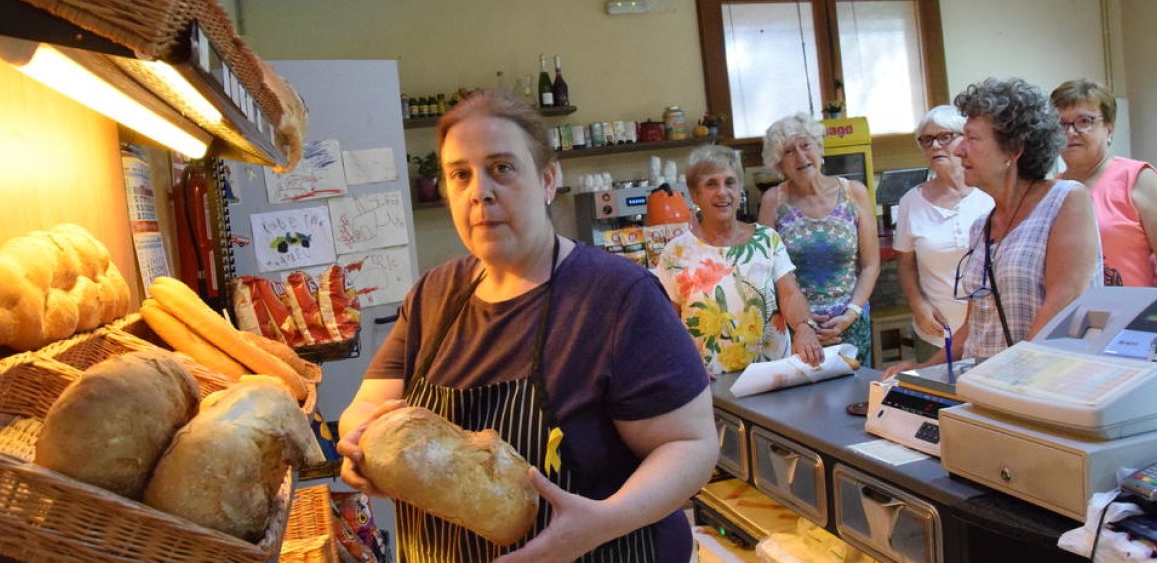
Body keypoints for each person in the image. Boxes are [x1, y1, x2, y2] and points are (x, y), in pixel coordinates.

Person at [336, 90, 716, 562]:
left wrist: (601, 524)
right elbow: (370, 406)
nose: (480, 191)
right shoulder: (432, 296)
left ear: (548, 180)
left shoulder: (618, 298)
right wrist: (358, 444)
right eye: (460, 175)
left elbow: (691, 445)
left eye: (502, 168)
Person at [885, 78, 1102, 377]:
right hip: (984, 387)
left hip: (1039, 387)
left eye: (972, 138)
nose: (960, 150)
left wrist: (1007, 380)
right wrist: (923, 370)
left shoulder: (1066, 201)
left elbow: (1060, 309)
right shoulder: (982, 226)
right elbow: (975, 327)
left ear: (1013, 150)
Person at [656, 144, 823, 373]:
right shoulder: (676, 253)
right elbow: (667, 322)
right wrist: (684, 363)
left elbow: (790, 294)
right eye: (711, 184)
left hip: (772, 375)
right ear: (695, 194)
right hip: (709, 382)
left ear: (739, 189)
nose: (722, 192)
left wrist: (805, 328)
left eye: (730, 182)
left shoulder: (766, 239)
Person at [757, 112, 880, 367]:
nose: (800, 157)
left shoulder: (854, 193)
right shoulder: (773, 201)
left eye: (805, 145)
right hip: (798, 331)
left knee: (855, 402)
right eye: (789, 151)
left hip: (851, 324)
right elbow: (767, 272)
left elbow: (870, 265)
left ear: (820, 148)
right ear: (779, 163)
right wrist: (803, 324)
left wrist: (851, 313)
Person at [1052, 79, 1157, 289]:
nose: (1070, 132)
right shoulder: (1049, 190)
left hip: (1131, 318)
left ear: (1109, 128)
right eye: (1061, 124)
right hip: (1071, 318)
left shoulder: (1139, 180)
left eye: (1084, 121)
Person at [893, 106, 994, 363]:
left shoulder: (990, 195)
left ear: (965, 140)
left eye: (944, 137)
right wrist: (918, 306)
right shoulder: (910, 202)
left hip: (991, 328)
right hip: (937, 330)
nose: (935, 146)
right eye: (927, 140)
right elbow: (905, 265)